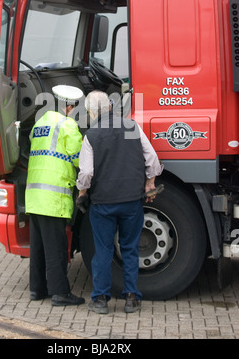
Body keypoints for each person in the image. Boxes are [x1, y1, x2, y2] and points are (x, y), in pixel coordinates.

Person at [76, 90, 163, 314]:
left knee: (103, 251)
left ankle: (101, 300)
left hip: (103, 204)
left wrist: (82, 193)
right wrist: (149, 183)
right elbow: (152, 158)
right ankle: (132, 298)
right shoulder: (131, 127)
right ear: (111, 107)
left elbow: (86, 172)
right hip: (132, 201)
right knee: (130, 249)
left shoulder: (92, 135)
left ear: (91, 113)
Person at [25, 84, 85, 307]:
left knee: (38, 247)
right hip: (53, 196)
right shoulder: (68, 125)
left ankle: (37, 289)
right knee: (56, 248)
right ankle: (60, 293)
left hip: (34, 195)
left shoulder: (39, 123)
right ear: (69, 107)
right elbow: (79, 158)